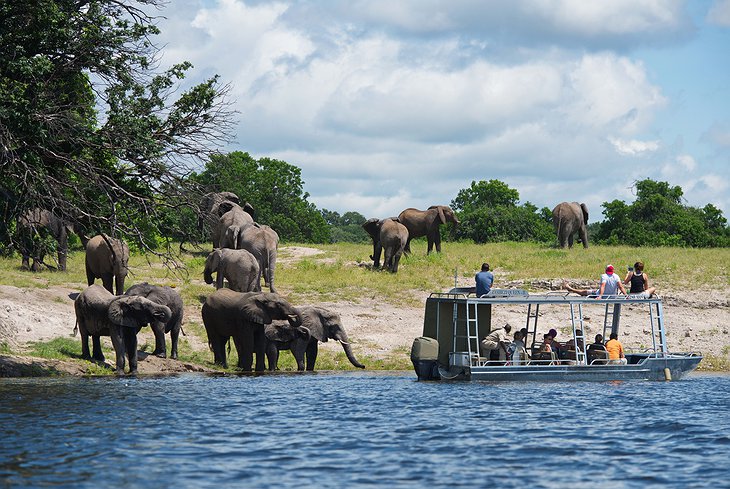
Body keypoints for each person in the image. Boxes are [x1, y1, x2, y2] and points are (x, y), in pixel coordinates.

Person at [562, 265, 626, 298]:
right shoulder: (616, 276)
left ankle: (570, 289)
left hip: (603, 295)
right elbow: (621, 287)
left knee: (584, 292)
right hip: (613, 296)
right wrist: (626, 295)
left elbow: (603, 286)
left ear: (606, 270)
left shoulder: (604, 276)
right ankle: (571, 289)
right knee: (593, 290)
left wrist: (600, 296)